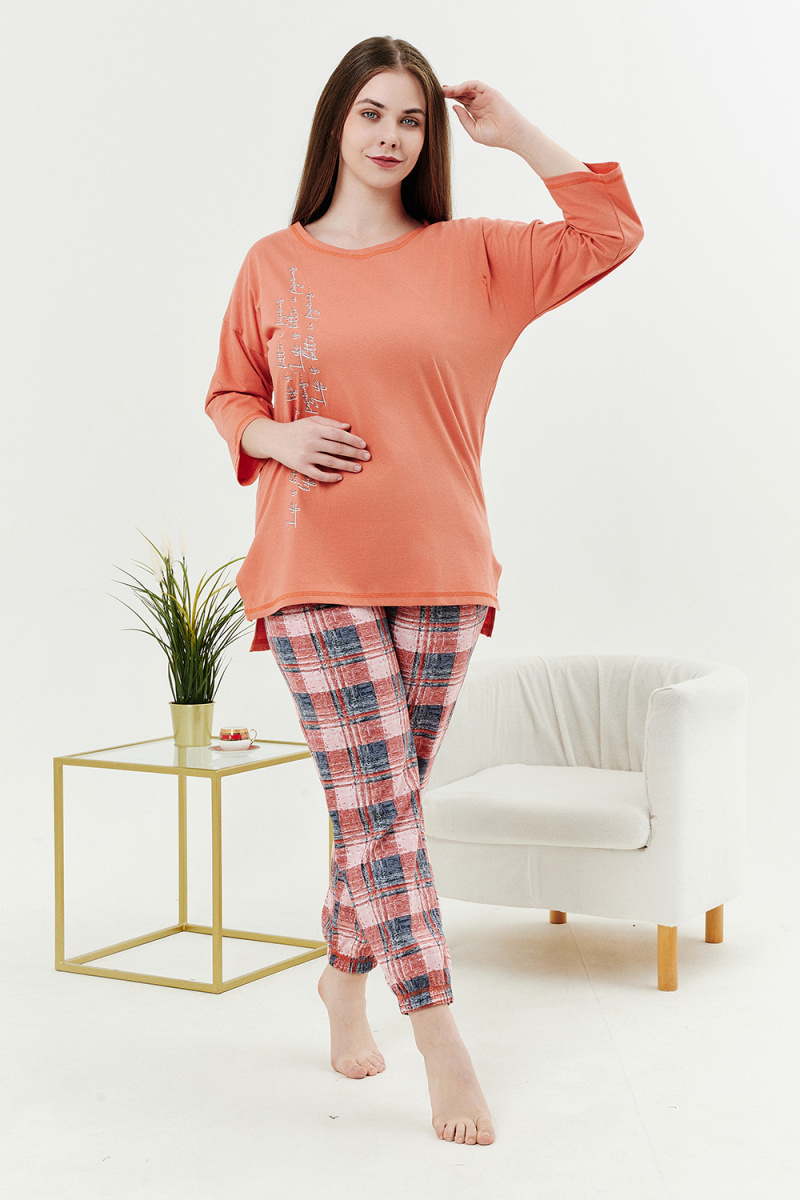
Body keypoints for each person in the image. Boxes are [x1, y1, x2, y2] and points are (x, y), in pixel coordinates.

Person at [205, 35, 643, 1146]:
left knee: (379, 805)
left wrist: (516, 134)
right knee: (380, 802)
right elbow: (228, 394)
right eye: (371, 113)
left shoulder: (475, 255)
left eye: (411, 119)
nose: (391, 136)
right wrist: (270, 434)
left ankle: (343, 973)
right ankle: (441, 1037)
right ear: (335, 124)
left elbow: (610, 232)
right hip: (308, 566)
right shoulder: (273, 261)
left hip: (441, 567)